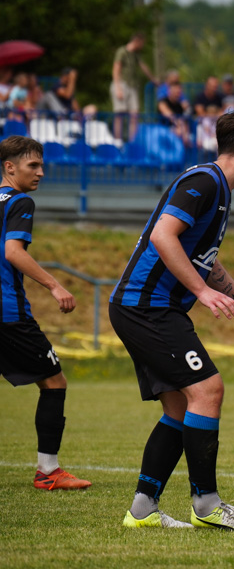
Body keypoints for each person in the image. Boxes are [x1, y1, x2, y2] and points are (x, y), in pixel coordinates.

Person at [110, 110, 234, 530]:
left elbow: (205, 257)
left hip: (148, 307)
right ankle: (207, 504)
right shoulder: (203, 181)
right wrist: (202, 292)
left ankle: (143, 509)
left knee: (182, 408)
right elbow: (163, 236)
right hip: (147, 306)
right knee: (208, 391)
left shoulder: (218, 189)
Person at [0, 136, 91, 491]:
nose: (41, 172)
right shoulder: (20, 201)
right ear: (10, 168)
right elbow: (13, 252)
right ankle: (48, 471)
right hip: (8, 315)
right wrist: (55, 285)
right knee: (54, 382)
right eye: (32, 166)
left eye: (41, 165)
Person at [111, 32, 157, 141]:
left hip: (132, 86)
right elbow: (116, 70)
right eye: (142, 43)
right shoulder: (122, 51)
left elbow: (143, 67)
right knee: (119, 114)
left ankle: (132, 141)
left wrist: (153, 79)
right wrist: (118, 88)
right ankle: (118, 141)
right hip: (121, 84)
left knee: (134, 115)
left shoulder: (135, 55)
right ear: (137, 41)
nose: (142, 46)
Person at [158, 81, 191, 146]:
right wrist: (180, 125)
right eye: (175, 92)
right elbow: (169, 115)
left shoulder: (179, 106)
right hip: (162, 130)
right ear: (169, 91)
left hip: (176, 131)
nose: (177, 94)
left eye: (179, 92)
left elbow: (185, 119)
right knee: (180, 132)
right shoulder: (163, 102)